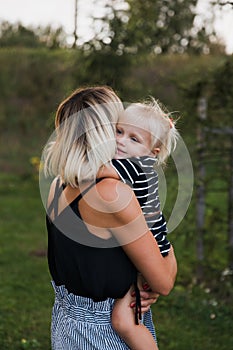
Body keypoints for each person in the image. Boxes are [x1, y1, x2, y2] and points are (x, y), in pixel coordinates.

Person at [42, 86, 177, 350]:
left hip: (66, 323)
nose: (122, 137)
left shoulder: (59, 184)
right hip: (103, 332)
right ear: (104, 131)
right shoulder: (110, 193)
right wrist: (163, 257)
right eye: (118, 127)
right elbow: (163, 281)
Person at [98, 99, 179, 349]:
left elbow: (97, 172)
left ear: (152, 151)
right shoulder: (140, 164)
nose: (121, 141)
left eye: (134, 139)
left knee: (124, 321)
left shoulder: (134, 167)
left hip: (154, 250)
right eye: (119, 131)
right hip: (152, 244)